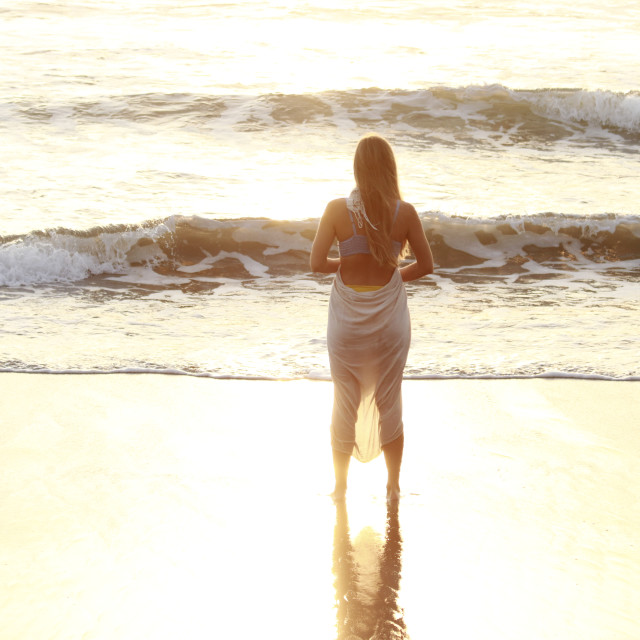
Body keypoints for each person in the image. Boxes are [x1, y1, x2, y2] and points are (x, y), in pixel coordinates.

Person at [310, 133, 434, 502]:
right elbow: (426, 265)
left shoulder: (336, 210)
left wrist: (347, 259)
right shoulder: (405, 212)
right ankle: (393, 486)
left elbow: (316, 264)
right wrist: (392, 274)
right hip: (389, 323)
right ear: (390, 168)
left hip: (347, 320)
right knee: (389, 397)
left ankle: (340, 488)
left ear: (356, 168)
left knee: (344, 398)